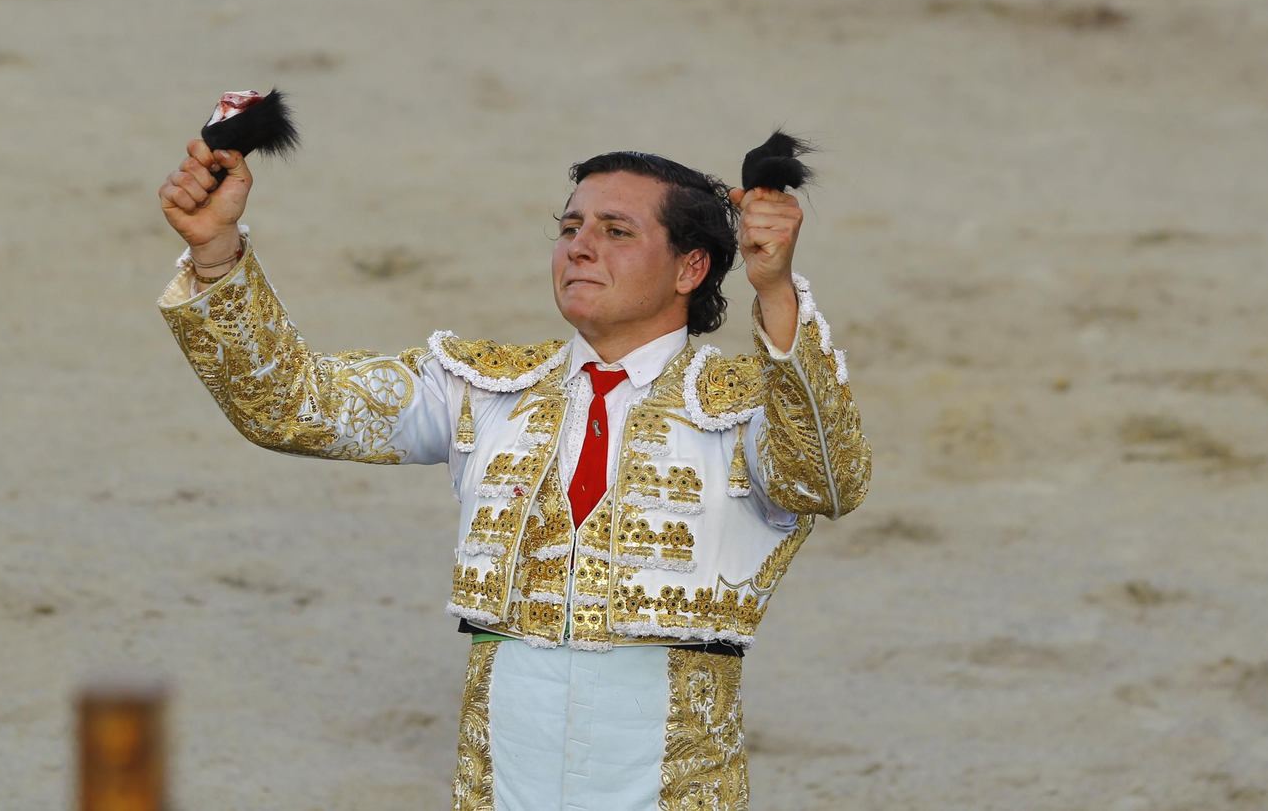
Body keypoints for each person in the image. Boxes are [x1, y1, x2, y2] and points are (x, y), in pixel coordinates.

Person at [156, 133, 870, 811]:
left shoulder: (751, 404)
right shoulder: (483, 386)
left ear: (691, 268)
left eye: (616, 232)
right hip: (505, 766)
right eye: (569, 229)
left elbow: (828, 478)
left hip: (672, 776)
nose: (580, 248)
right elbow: (293, 406)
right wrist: (217, 254)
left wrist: (774, 292)